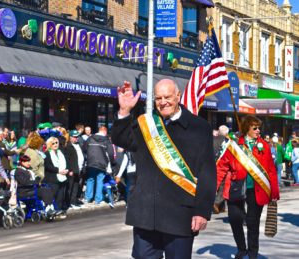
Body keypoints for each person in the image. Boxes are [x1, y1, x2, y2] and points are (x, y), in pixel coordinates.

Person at [111, 79, 216, 259]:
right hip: (146, 214)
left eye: (167, 97)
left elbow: (207, 172)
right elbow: (121, 139)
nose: (163, 102)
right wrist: (124, 110)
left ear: (178, 96)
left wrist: (202, 211)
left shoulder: (199, 127)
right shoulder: (147, 123)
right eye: (158, 98)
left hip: (179, 214)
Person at [216, 115, 280, 259]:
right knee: (234, 219)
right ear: (246, 128)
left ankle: (252, 253)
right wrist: (212, 188)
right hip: (236, 187)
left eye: (259, 128)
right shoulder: (234, 145)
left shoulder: (264, 145)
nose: (258, 130)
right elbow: (221, 167)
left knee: (252, 223)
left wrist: (274, 191)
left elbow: (270, 170)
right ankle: (241, 248)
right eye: (255, 128)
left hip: (256, 190)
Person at [84, 126, 114, 205]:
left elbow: (84, 148)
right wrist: (111, 162)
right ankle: (98, 199)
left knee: (90, 179)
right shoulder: (106, 140)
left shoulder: (90, 138)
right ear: (105, 132)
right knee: (100, 180)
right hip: (102, 163)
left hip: (91, 163)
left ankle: (88, 198)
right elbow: (111, 153)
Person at [43, 137, 68, 213]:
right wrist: (58, 171)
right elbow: (47, 166)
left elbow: (64, 163)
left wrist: (66, 170)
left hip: (62, 177)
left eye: (56, 142)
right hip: (52, 178)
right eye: (53, 143)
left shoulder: (60, 152)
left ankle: (58, 210)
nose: (55, 144)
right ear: (50, 144)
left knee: (60, 196)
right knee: (53, 195)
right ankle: (50, 211)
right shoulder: (46, 153)